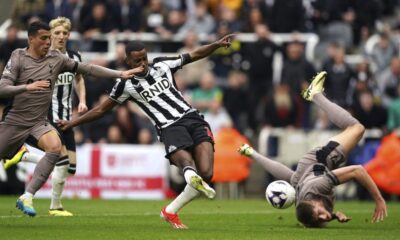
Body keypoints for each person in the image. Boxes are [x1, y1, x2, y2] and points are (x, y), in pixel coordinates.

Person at [57, 34, 234, 229]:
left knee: (207, 173)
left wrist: (215, 45)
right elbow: (100, 110)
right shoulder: (125, 84)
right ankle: (189, 175)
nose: (143, 63)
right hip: (168, 126)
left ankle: (171, 210)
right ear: (128, 61)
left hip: (193, 118)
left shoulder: (163, 65)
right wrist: (73, 123)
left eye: (144, 58)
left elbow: (193, 54)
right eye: (137, 60)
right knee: (187, 164)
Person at [0, 21, 141, 217]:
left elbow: (88, 69)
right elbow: (2, 88)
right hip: (14, 120)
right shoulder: (18, 56)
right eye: (43, 38)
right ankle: (22, 157)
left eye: (49, 38)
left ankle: (27, 196)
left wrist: (120, 74)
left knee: (55, 150)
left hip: (39, 122)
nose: (48, 42)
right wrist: (27, 87)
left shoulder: (57, 58)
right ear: (30, 39)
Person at [239, 71, 387, 227]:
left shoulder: (320, 185)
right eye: (322, 218)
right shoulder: (303, 207)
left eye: (320, 215)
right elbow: (314, 215)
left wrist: (378, 199)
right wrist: (333, 215)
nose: (324, 217)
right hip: (304, 174)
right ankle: (251, 152)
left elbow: (357, 171)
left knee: (357, 128)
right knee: (294, 179)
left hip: (320, 159)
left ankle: (315, 95)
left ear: (314, 204)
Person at [3, 17, 88, 216]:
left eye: (64, 33)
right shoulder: (45, 57)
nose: (60, 37)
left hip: (67, 116)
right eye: (55, 33)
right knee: (60, 159)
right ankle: (54, 206)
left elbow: (80, 78)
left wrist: (82, 100)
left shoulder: (73, 56)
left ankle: (23, 155)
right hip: (49, 115)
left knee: (70, 167)